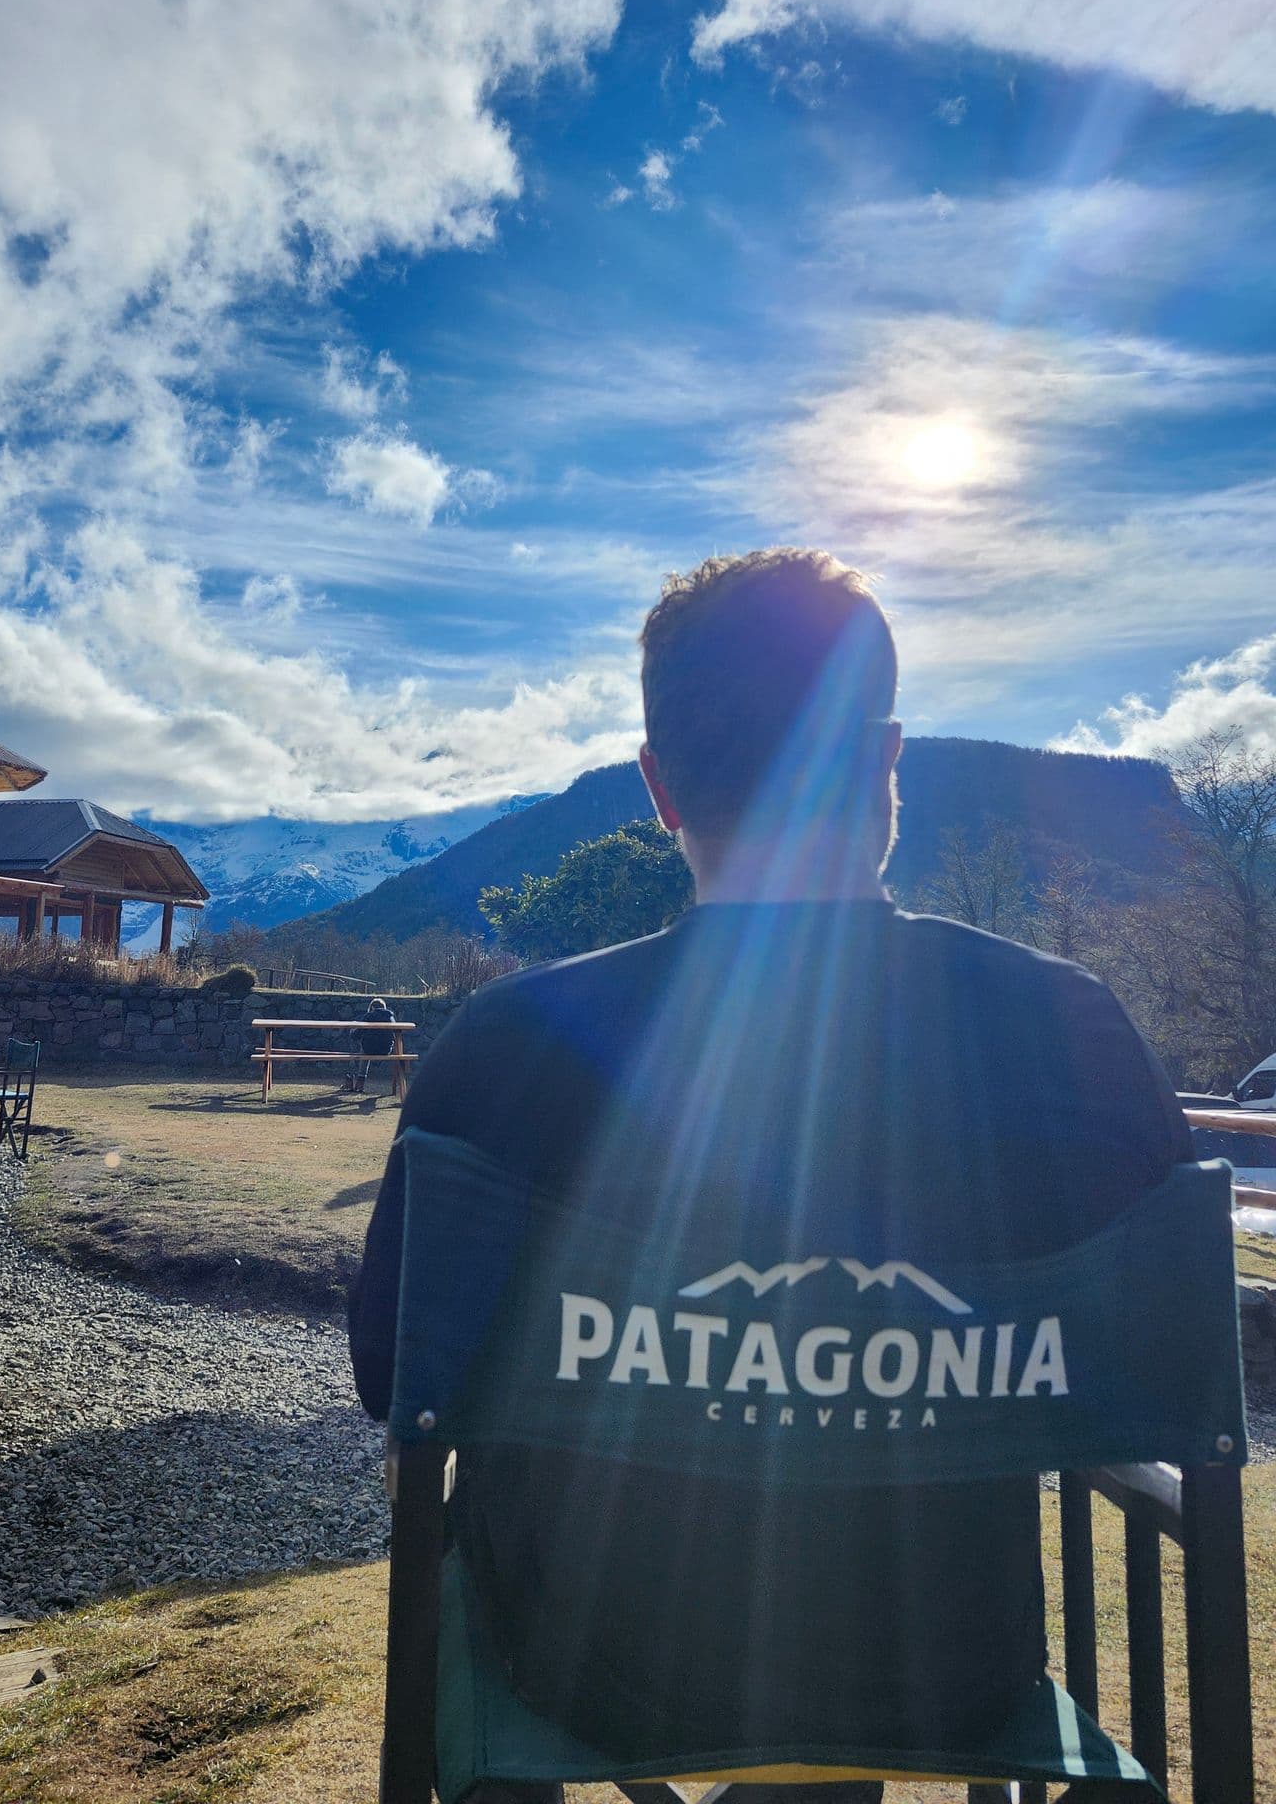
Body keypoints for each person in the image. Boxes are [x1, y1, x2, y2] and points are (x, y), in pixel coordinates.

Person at [350, 549, 1191, 1799]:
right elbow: (1165, 1368)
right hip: (950, 1668)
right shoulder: (1070, 1030)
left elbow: (395, 1372)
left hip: (591, 1668)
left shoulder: (509, 1044)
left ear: (658, 787)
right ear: (886, 761)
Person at [346, 996, 398, 1093]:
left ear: (372, 1007)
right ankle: (357, 1080)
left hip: (369, 1049)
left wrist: (352, 1030)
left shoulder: (369, 1016)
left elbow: (356, 1035)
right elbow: (396, 1034)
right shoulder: (390, 1017)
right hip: (385, 1049)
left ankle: (357, 1080)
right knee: (367, 1045)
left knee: (364, 1048)